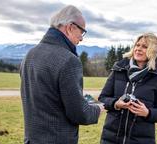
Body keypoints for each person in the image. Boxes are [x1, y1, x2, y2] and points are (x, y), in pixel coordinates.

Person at [20, 5, 103, 144]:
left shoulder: (30, 54)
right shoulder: (69, 60)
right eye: (82, 32)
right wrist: (98, 108)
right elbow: (79, 114)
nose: (81, 39)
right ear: (70, 27)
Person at [98, 33, 157, 144]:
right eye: (137, 45)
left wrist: (147, 113)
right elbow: (103, 98)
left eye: (144, 46)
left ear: (153, 51)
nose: (138, 49)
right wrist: (116, 104)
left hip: (141, 140)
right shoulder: (118, 70)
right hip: (111, 138)